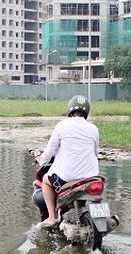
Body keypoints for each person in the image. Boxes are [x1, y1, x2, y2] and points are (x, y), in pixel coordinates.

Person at [36, 95, 99, 228]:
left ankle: (52, 217)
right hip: (90, 178)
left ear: (70, 110)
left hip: (68, 178)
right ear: (87, 111)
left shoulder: (62, 125)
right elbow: (95, 152)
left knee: (46, 180)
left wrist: (42, 160)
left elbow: (51, 149)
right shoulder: (94, 129)